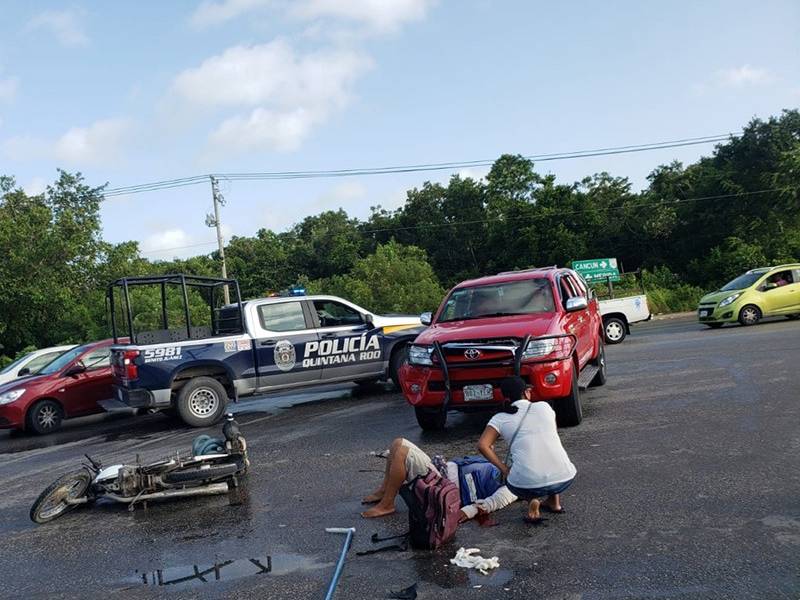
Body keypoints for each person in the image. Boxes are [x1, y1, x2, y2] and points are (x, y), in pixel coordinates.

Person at [477, 376, 577, 524]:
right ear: (526, 392)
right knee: (546, 450)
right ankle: (554, 503)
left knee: (520, 466)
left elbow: (482, 445)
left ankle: (532, 500)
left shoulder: (500, 418)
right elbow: (553, 434)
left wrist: (504, 469)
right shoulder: (545, 407)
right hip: (564, 477)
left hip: (526, 484)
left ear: (506, 397)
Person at [360, 437, 518, 519]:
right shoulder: (498, 466)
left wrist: (467, 512)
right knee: (397, 443)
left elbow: (493, 503)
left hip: (438, 485)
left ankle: (387, 504)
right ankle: (383, 492)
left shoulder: (513, 488)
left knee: (402, 452)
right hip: (439, 472)